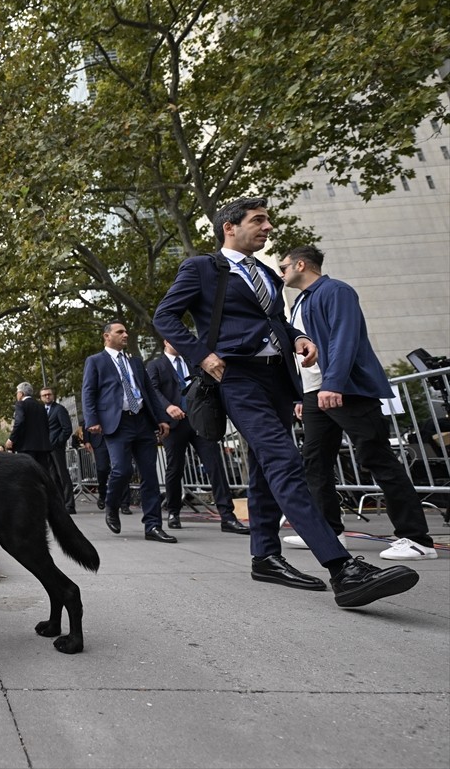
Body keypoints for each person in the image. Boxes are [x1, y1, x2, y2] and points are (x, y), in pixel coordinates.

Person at [154, 197, 418, 606]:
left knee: (263, 469)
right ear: (229, 227)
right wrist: (202, 356)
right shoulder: (202, 268)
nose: (267, 227)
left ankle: (265, 557)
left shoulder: (264, 273)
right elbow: (165, 317)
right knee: (284, 460)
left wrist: (298, 338)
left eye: (267, 221)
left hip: (277, 379)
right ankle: (341, 568)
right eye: (258, 221)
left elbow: (275, 320)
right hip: (235, 377)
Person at [281, 244, 438, 560]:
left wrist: (334, 383)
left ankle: (417, 539)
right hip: (315, 395)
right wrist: (301, 395)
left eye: (283, 267)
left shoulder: (336, 291)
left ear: (300, 265)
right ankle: (328, 531)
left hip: (346, 390)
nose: (281, 273)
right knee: (316, 462)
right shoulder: (300, 302)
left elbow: (344, 338)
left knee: (376, 457)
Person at [82, 322, 176, 543]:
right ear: (107, 336)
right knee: (121, 470)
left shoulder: (135, 361)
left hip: (142, 421)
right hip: (117, 423)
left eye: (126, 331)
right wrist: (92, 420)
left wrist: (161, 418)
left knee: (149, 475)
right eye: (120, 332)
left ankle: (153, 526)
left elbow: (149, 391)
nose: (126, 335)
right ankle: (112, 505)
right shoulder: (95, 361)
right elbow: (88, 391)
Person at [146, 340, 250, 535]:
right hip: (175, 424)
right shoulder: (156, 365)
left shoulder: (193, 361)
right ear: (165, 342)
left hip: (200, 420)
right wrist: (168, 408)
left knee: (215, 466)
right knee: (174, 468)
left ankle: (227, 516)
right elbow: (152, 390)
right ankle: (173, 511)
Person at [41, 387, 75, 513]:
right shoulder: (42, 411)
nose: (47, 397)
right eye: (44, 395)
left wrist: (58, 442)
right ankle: (60, 504)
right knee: (52, 477)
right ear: (41, 397)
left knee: (62, 475)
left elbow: (67, 429)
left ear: (53, 395)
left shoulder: (59, 409)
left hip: (56, 447)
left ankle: (69, 505)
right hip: (46, 448)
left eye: (49, 394)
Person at [5, 383, 52, 473]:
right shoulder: (41, 406)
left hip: (26, 447)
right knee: (43, 475)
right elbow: (46, 425)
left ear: (21, 394)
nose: (16, 394)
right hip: (42, 447)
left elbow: (19, 422)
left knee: (29, 474)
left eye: (17, 392)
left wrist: (11, 439)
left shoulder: (20, 404)